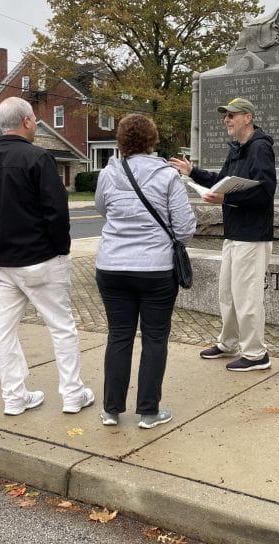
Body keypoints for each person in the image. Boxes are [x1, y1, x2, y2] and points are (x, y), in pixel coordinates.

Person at [0, 96, 92, 416]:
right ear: (26, 122)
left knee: (5, 329)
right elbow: (56, 211)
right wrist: (60, 250)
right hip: (40, 257)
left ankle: (13, 396)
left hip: (1, 259)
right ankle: (71, 393)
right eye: (34, 122)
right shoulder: (39, 158)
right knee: (61, 326)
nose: (36, 127)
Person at [95, 114, 196, 429]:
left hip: (111, 266)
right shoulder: (167, 176)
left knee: (119, 336)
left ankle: (111, 409)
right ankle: (149, 411)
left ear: (121, 141)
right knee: (154, 338)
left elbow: (102, 208)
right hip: (155, 269)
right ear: (152, 140)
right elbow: (184, 228)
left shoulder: (108, 174)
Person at [169, 97, 276, 372]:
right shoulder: (238, 149)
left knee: (247, 297)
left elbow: (265, 192)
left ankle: (256, 354)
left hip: (252, 236)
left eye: (231, 115)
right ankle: (228, 343)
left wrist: (226, 201)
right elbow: (222, 181)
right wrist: (193, 172)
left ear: (247, 118)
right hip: (235, 233)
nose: (226, 120)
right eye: (225, 116)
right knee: (227, 293)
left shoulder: (261, 148)